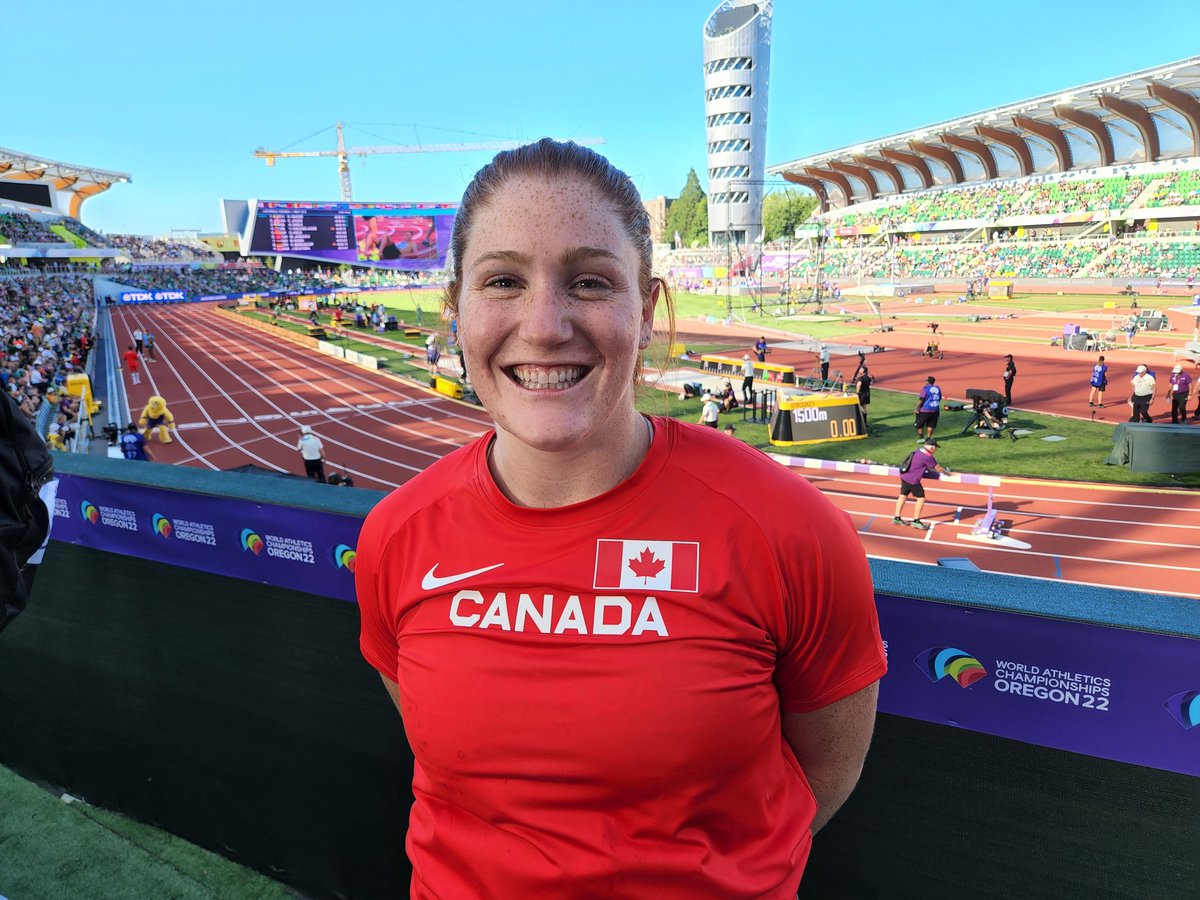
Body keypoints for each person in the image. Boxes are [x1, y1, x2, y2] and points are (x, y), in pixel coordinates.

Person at [355, 139, 885, 899]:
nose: (543, 325)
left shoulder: (787, 531)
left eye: (590, 282)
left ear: (649, 312)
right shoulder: (397, 535)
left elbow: (823, 779)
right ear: (456, 311)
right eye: (502, 280)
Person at [892, 438, 950, 530]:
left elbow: (920, 463)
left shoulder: (919, 450)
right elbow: (937, 468)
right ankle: (916, 521)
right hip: (913, 480)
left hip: (904, 476)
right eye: (936, 448)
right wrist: (949, 473)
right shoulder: (928, 456)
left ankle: (896, 517)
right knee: (921, 498)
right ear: (932, 447)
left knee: (903, 495)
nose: (936, 450)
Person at [914, 375, 942, 440]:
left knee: (918, 423)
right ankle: (928, 439)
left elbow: (921, 399)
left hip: (925, 410)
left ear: (927, 381)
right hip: (935, 410)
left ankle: (921, 437)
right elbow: (939, 398)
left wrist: (917, 408)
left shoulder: (925, 389)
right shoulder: (938, 388)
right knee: (930, 425)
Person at [856, 367, 875, 432]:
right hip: (867, 393)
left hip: (862, 394)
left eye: (861, 369)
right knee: (864, 407)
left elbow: (859, 385)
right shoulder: (867, 377)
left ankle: (862, 420)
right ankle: (865, 420)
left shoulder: (861, 378)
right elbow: (872, 381)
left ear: (863, 371)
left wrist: (857, 393)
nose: (860, 370)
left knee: (860, 406)